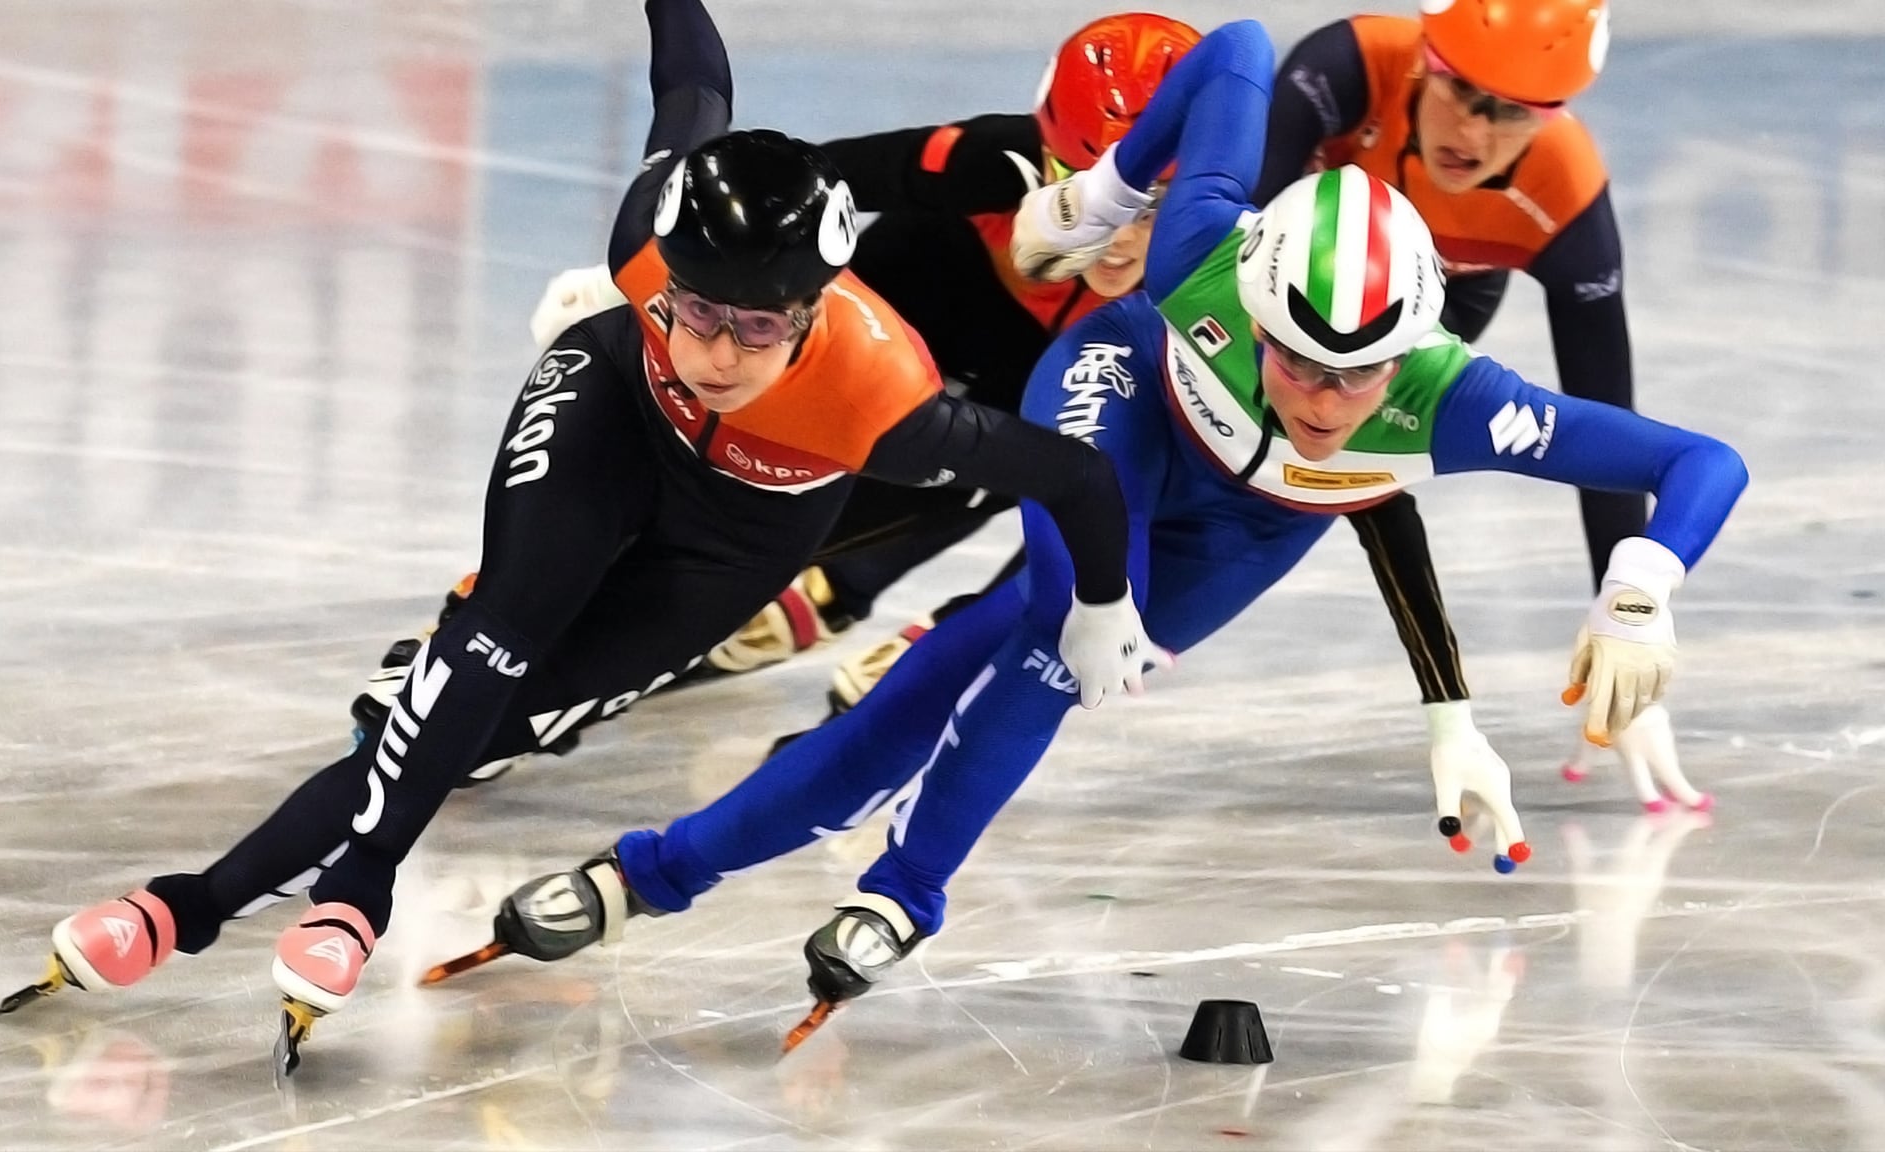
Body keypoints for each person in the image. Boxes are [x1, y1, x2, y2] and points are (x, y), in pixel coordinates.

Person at [479, 16, 1747, 1033]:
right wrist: (1113, 185)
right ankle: (783, 881)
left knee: (991, 669)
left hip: (1240, 535)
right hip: (1123, 399)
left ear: (1407, 356)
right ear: (1246, 299)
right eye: (1291, 359)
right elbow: (1239, 46)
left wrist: (1636, 585)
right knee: (1052, 622)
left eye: (1353, 380)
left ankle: (752, 880)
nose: (1315, 400)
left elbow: (1700, 459)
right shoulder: (1202, 253)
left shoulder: (1457, 402)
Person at [0, 0, 1161, 1075]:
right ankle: (335, 889)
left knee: (491, 716)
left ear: (808, 310)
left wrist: (1099, 603)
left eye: (754, 328)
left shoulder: (885, 404)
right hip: (612, 414)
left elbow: (1069, 474)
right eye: (696, 312)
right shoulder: (642, 254)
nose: (717, 350)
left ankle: (194, 903)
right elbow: (693, 87)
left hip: (740, 537)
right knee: (490, 639)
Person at [385, 13, 1537, 815]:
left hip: (950, 450)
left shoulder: (1234, 269)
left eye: (1156, 201)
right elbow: (805, 176)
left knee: (787, 602)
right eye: (1091, 187)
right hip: (825, 387)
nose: (1118, 237)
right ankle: (470, 665)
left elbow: (1295, 478)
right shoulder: (995, 163)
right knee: (639, 526)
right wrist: (653, 269)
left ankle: (565, 703)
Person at [1260, 0, 1701, 807]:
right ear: (1426, 61)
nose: (1477, 132)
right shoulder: (1347, 67)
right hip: (1289, 278)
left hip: (1440, 300)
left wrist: (1624, 622)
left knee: (1318, 470)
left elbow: (1603, 428)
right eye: (1464, 94)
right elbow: (1222, 242)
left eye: (1514, 114)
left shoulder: (1564, 193)